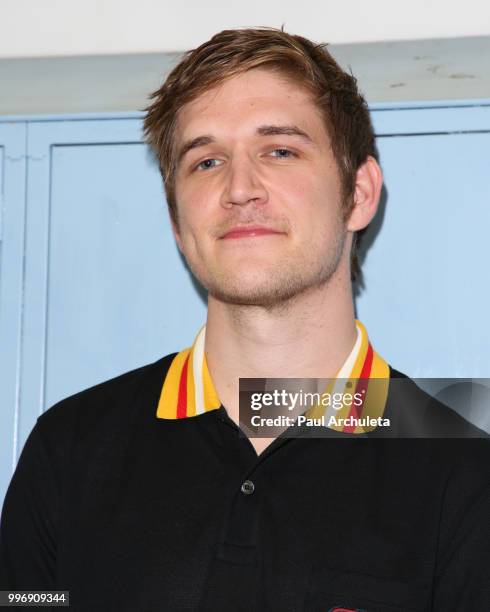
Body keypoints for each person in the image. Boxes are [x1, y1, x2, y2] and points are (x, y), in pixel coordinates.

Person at [1, 26, 489, 611]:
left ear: (358, 194)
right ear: (179, 222)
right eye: (206, 161)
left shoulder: (465, 466)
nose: (239, 188)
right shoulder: (70, 448)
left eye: (279, 150)